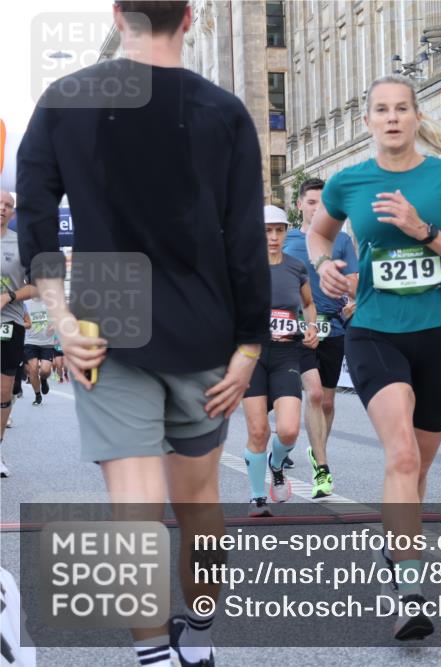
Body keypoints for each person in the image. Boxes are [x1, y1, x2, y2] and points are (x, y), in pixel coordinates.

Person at [16, 2, 269, 665]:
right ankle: (202, 634)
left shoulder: (67, 99)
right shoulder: (225, 111)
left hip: (108, 316)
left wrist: (61, 317)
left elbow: (36, 217)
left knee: (133, 507)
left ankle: (154, 654)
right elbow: (246, 243)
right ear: (189, 19)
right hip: (205, 322)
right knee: (200, 501)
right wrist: (248, 346)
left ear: (118, 14)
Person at [306, 74, 441, 641]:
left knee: (419, 467)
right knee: (402, 456)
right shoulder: (349, 182)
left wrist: (422, 229)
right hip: (373, 333)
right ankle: (409, 587)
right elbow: (317, 234)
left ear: (415, 117)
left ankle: (399, 550)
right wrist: (323, 265)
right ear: (368, 122)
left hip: (436, 336)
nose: (391, 118)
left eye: (401, 109)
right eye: (380, 110)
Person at [283, 177, 358, 497]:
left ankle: (317, 451)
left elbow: (354, 282)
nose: (317, 209)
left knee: (326, 399)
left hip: (332, 327)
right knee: (310, 395)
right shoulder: (284, 240)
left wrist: (352, 296)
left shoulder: (341, 241)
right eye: (311, 202)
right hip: (293, 329)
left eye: (324, 203)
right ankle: (320, 464)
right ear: (299, 204)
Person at [243, 206, 317, 517]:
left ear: (286, 232)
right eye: (266, 231)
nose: (273, 237)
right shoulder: (244, 268)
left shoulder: (296, 266)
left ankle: (276, 464)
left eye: (278, 230)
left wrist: (311, 326)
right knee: (258, 431)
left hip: (287, 352)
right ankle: (257, 497)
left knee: (288, 430)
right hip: (252, 355)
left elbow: (309, 304)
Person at [1, 189, 36, 477]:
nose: (2, 208)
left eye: (8, 205)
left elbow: (36, 286)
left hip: (8, 324)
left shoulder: (21, 242)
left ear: (13, 212)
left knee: (3, 392)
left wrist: (9, 296)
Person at [22, 297, 56, 406]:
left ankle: (44, 380)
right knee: (33, 369)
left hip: (47, 342)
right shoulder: (24, 303)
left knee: (45, 371)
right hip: (30, 341)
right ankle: (37, 395)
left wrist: (54, 327)